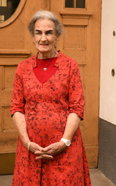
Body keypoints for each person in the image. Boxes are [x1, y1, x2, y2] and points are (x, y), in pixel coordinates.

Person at [10, 10, 91, 185]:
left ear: (57, 36)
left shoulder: (70, 66)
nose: (43, 38)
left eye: (49, 33)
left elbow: (76, 108)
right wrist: (27, 143)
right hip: (31, 151)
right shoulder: (23, 68)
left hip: (65, 150)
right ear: (33, 36)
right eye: (38, 33)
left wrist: (64, 142)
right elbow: (16, 108)